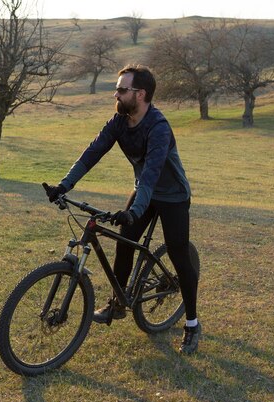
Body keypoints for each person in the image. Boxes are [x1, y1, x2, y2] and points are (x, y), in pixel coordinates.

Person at [44, 64, 201, 354]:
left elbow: (153, 173)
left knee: (179, 255)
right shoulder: (119, 121)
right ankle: (118, 303)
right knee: (125, 244)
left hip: (173, 196)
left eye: (121, 89)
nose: (115, 94)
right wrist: (63, 186)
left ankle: (191, 323)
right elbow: (92, 152)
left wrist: (134, 210)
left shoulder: (158, 127)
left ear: (140, 94)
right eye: (117, 89)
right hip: (145, 191)